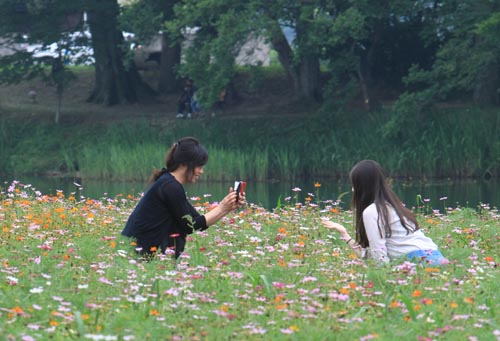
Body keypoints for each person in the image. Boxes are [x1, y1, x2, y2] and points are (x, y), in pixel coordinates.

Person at [122, 137, 244, 259]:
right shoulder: (170, 187)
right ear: (184, 164)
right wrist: (222, 208)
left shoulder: (167, 182)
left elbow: (197, 222)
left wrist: (228, 207)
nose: (201, 172)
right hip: (138, 253)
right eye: (199, 167)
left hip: (141, 251)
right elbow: (190, 226)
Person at [321, 160, 448, 266]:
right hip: (437, 257)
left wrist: (384, 278)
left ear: (362, 186)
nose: (352, 189)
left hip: (416, 261)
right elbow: (369, 255)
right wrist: (344, 234)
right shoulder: (394, 206)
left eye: (354, 184)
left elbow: (379, 256)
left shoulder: (372, 211)